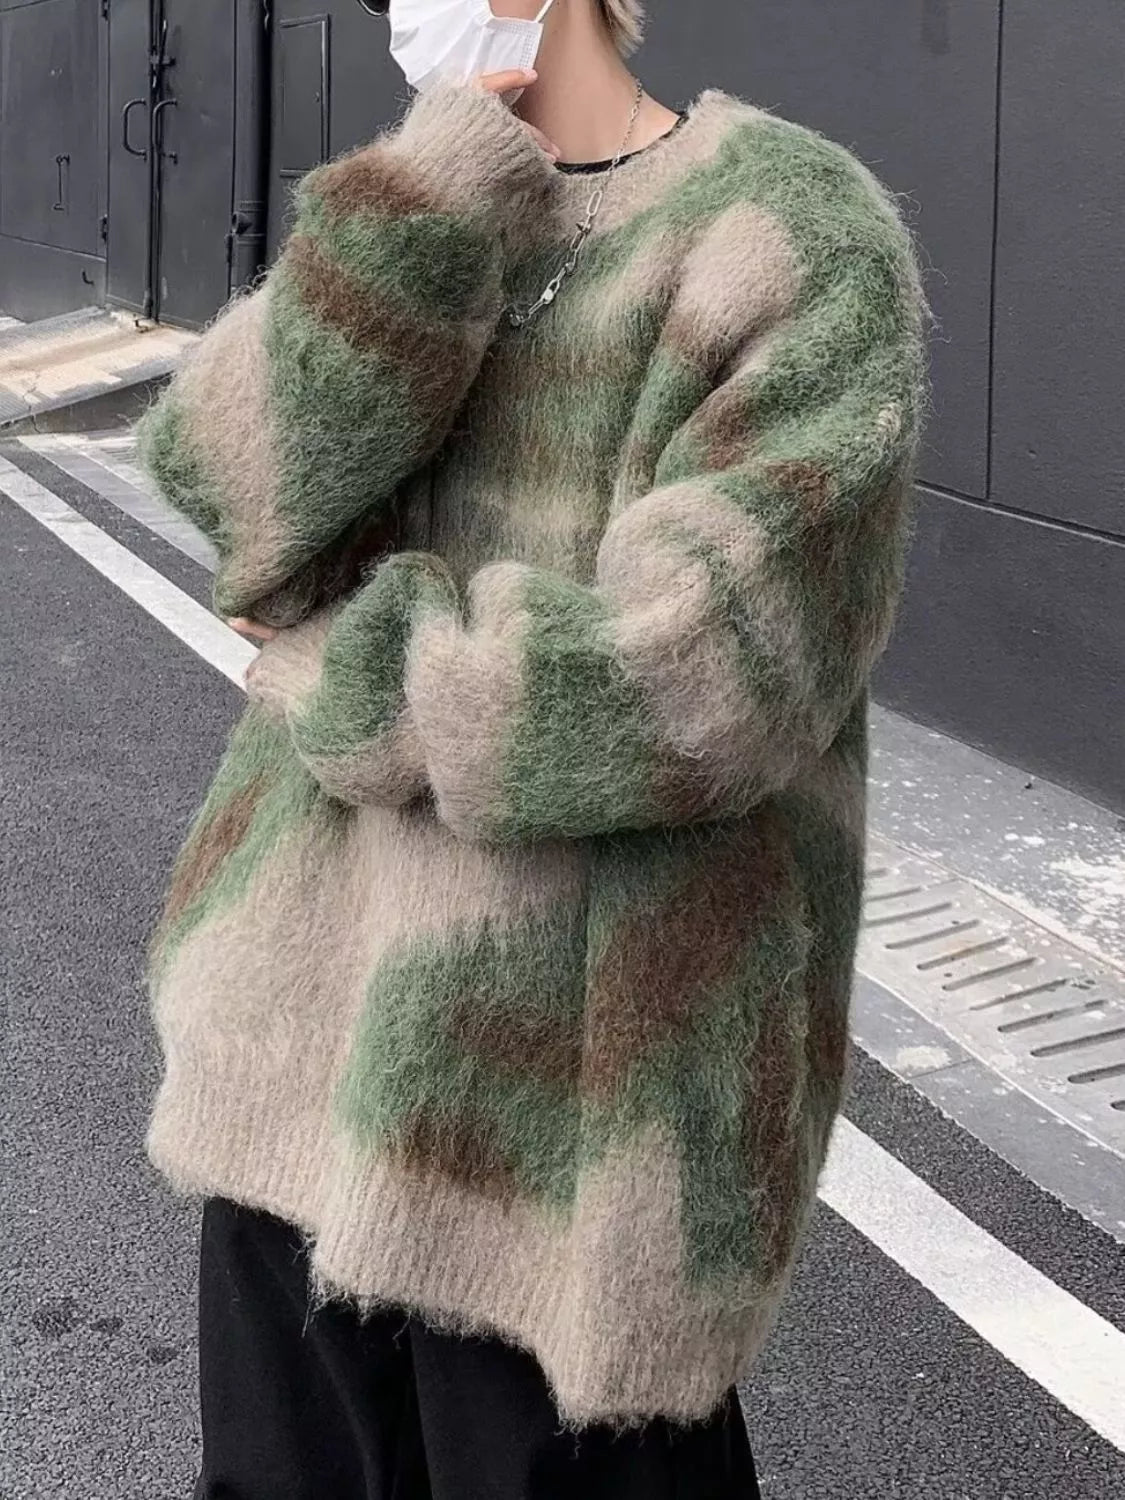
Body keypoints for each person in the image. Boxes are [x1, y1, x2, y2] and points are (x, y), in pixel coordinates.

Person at [137, 0, 929, 1495]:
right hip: (289, 1065)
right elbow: (224, 486)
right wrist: (429, 195)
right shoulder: (423, 206)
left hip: (565, 1140)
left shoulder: (789, 236)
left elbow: (695, 677)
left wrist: (339, 659)